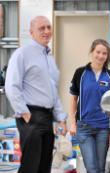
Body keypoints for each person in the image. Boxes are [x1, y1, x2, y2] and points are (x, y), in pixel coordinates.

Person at [5, 16, 67, 173]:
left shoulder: (49, 58)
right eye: (41, 28)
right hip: (31, 116)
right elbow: (12, 86)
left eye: (48, 27)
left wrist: (61, 118)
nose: (46, 31)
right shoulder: (22, 54)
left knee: (44, 165)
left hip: (47, 117)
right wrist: (25, 114)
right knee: (30, 166)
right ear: (32, 32)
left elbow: (53, 90)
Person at [69, 39, 110, 173]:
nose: (100, 56)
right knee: (91, 168)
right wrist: (72, 123)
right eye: (98, 52)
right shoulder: (80, 73)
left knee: (100, 168)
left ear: (107, 57)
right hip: (84, 127)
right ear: (92, 52)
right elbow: (74, 99)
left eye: (104, 53)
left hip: (104, 128)